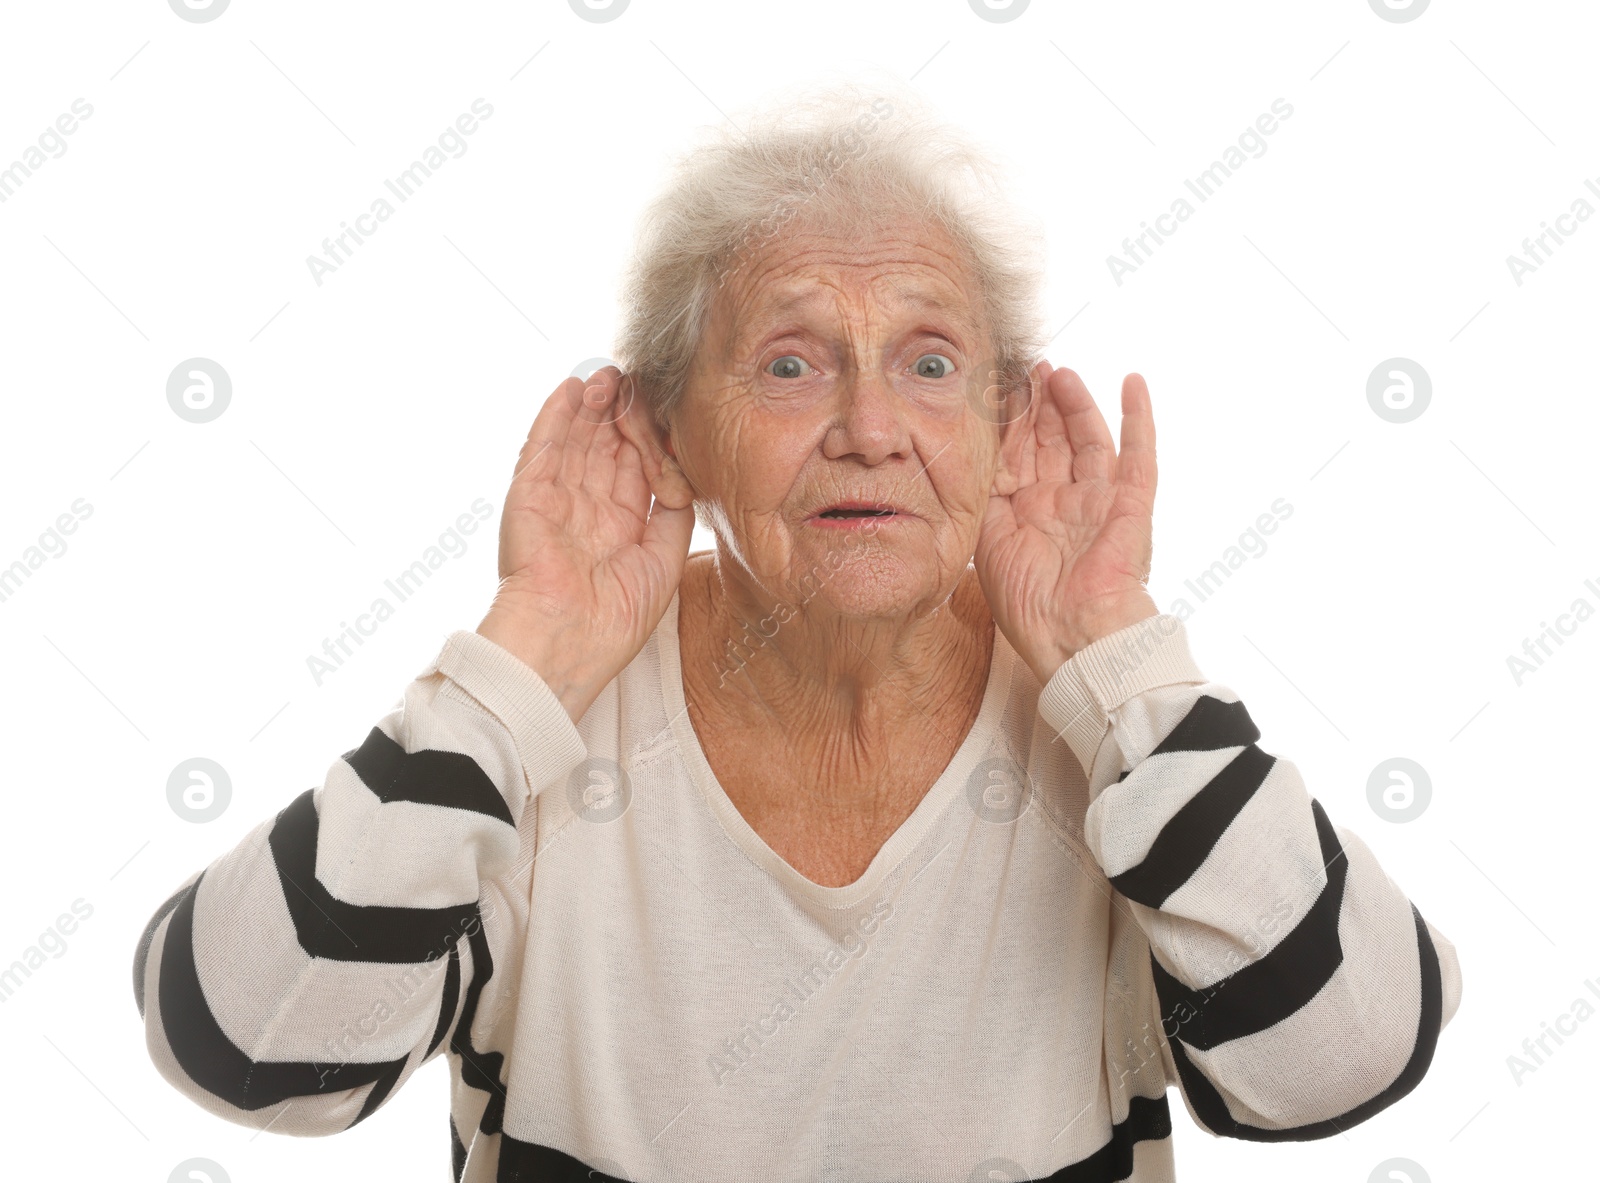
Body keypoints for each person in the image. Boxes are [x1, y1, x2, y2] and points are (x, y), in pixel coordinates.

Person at [132, 80, 1461, 1182]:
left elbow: (1341, 1067)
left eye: (932, 363)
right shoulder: (540, 740)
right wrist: (519, 658)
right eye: (789, 363)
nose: (870, 428)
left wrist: (1118, 657)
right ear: (668, 432)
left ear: (1006, 434)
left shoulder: (1116, 751)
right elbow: (248, 1052)